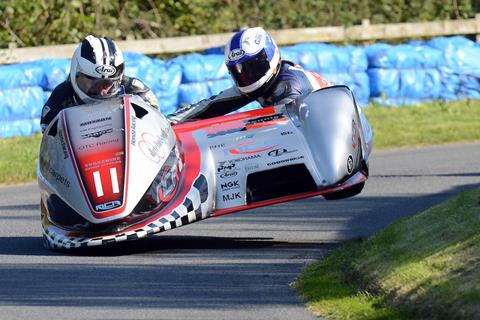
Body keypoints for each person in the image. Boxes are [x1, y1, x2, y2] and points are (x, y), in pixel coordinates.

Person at [168, 27, 331, 124]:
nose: (247, 76)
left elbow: (283, 131)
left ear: (268, 56)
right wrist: (169, 122)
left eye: (252, 68)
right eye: (240, 71)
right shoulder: (265, 81)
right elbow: (210, 105)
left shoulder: (290, 88)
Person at [40, 35, 158, 132]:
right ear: (76, 74)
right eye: (94, 83)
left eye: (107, 84)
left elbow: (156, 125)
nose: (102, 92)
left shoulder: (136, 90)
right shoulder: (59, 99)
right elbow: (50, 146)